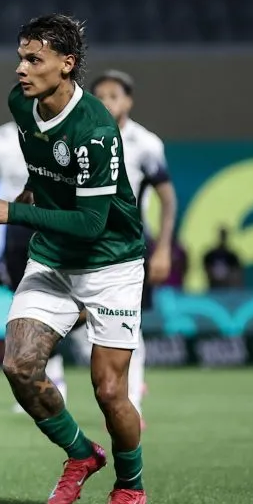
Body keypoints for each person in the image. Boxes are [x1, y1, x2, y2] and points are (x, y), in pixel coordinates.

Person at [0, 14, 147, 504]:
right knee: (19, 365)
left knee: (109, 391)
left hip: (110, 264)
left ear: (67, 65)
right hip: (52, 259)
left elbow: (90, 223)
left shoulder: (95, 129)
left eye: (33, 59)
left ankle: (130, 485)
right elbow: (44, 169)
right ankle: (81, 454)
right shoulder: (21, 103)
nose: (21, 69)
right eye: (20, 57)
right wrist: (29, 194)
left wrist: (11, 210)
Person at [91, 69, 180, 425]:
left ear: (128, 101)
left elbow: (168, 199)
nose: (107, 102)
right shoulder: (83, 135)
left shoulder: (145, 144)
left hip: (127, 244)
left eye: (114, 95)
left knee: (129, 324)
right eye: (100, 96)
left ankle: (132, 402)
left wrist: (162, 249)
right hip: (86, 240)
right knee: (85, 326)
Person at [0, 122, 68, 410]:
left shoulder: (66, 130)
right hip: (17, 228)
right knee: (24, 304)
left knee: (68, 304)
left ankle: (121, 376)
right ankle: (51, 378)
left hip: (56, 224)